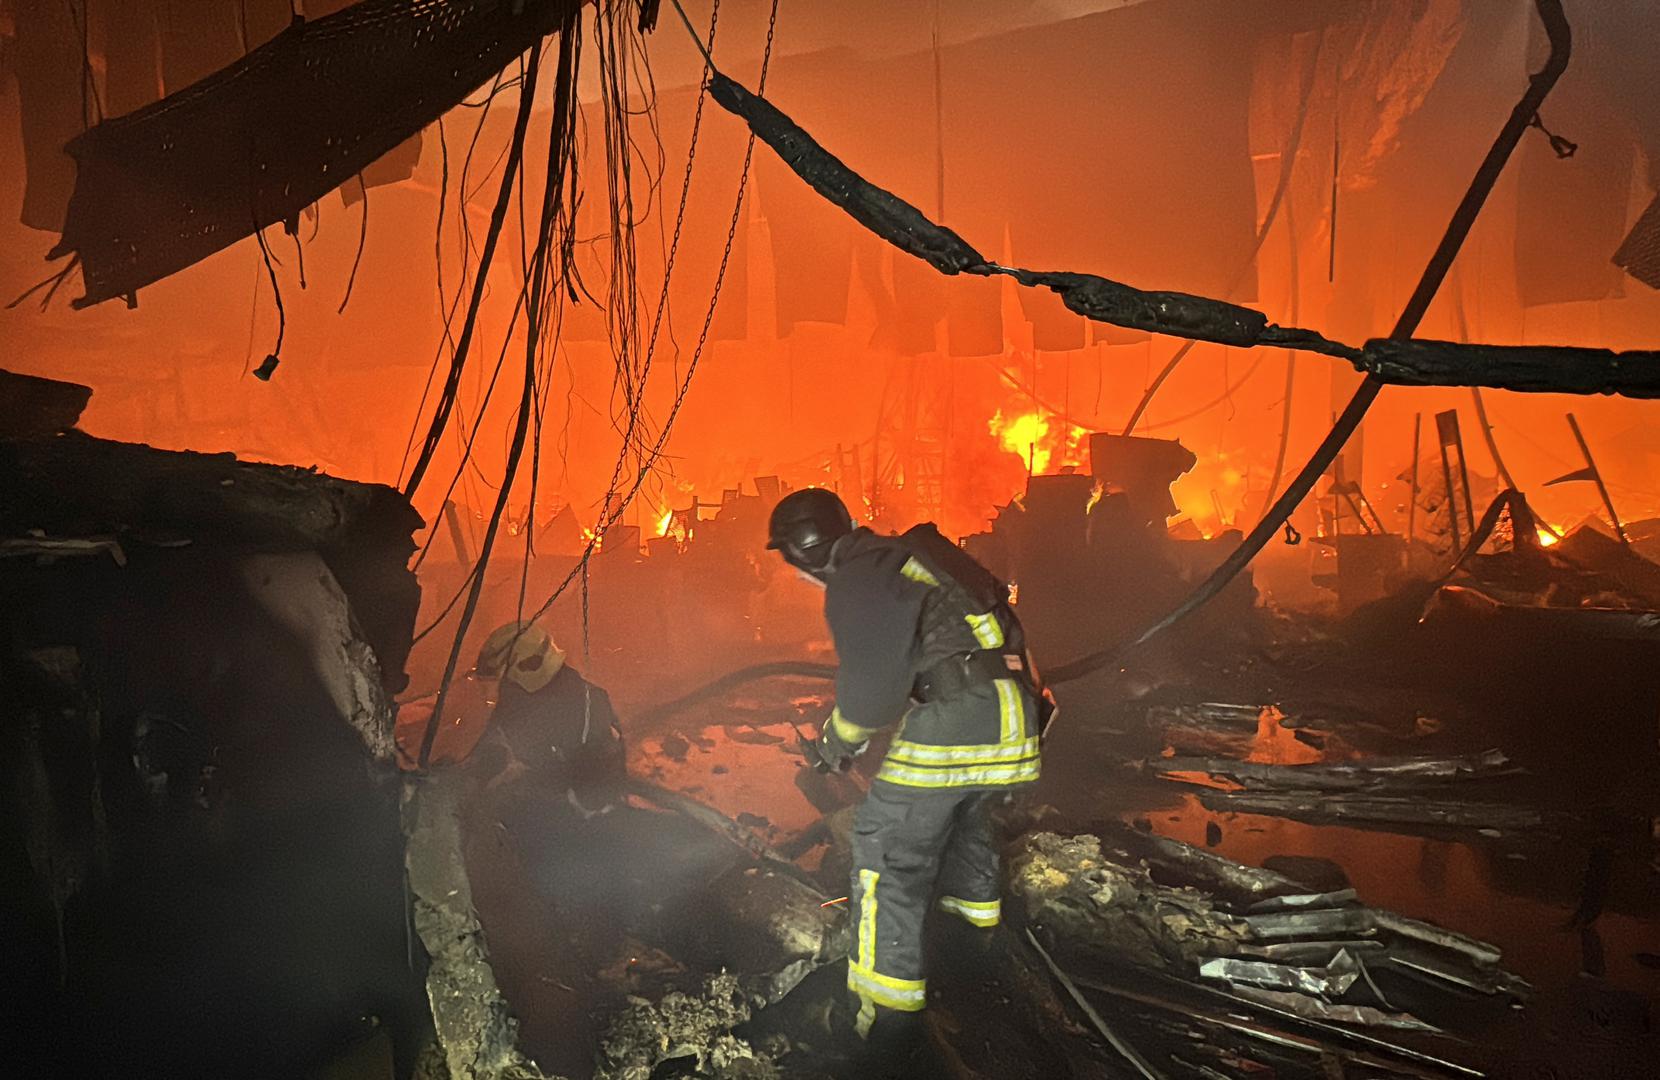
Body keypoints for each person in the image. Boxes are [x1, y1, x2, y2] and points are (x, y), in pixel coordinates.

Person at [766, 488, 1053, 1055]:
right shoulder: (914, 555)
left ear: (802, 552)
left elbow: (871, 694)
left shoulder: (857, 575)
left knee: (886, 850)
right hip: (1014, 716)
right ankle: (971, 952)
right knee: (965, 822)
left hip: (961, 718)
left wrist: (834, 743)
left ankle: (884, 1020)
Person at [469, 621, 626, 816]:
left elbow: (582, 779)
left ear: (527, 667)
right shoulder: (519, 697)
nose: (504, 686)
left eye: (507, 678)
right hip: (558, 796)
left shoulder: (587, 704)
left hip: (572, 811)